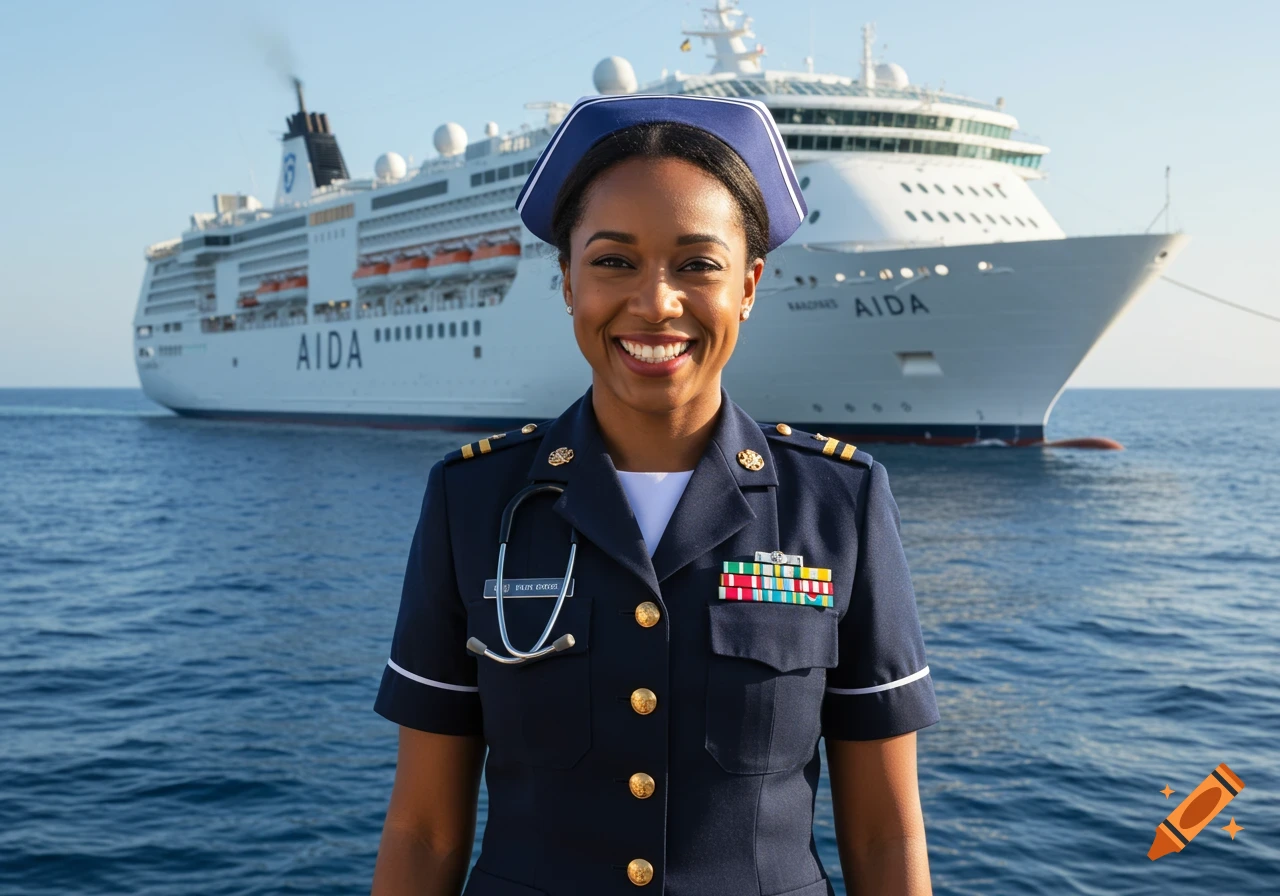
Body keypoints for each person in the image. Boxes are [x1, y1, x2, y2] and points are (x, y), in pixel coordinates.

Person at [370, 94, 939, 896]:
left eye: (698, 264)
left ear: (749, 284)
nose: (656, 302)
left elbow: (886, 837)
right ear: (567, 281)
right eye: (613, 261)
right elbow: (423, 831)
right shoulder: (473, 501)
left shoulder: (837, 503)